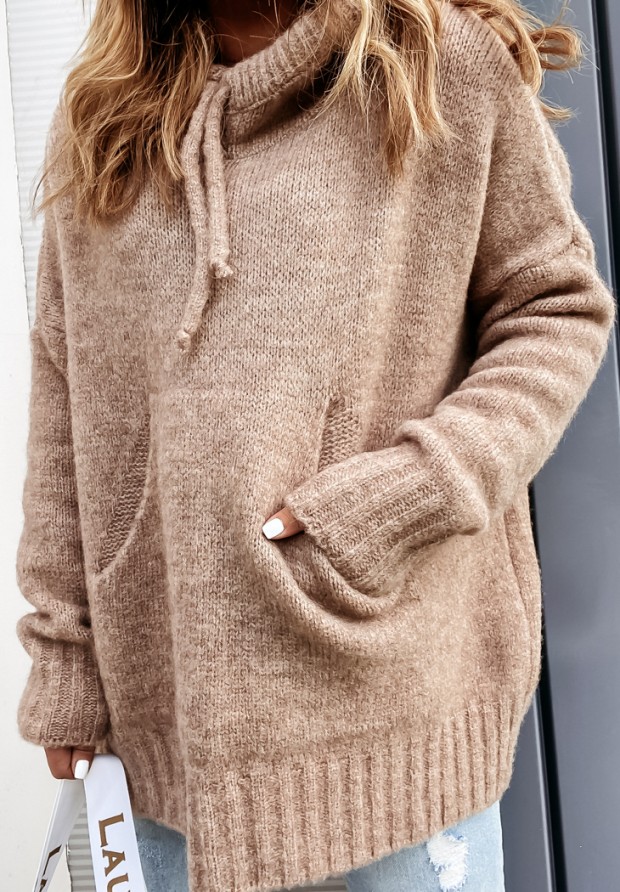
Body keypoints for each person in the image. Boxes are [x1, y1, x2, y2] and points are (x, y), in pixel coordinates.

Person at [14, 0, 616, 889]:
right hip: (169, 759)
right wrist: (65, 656)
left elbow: (554, 307)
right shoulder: (104, 116)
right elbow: (67, 399)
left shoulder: (440, 68)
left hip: (399, 734)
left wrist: (415, 489)